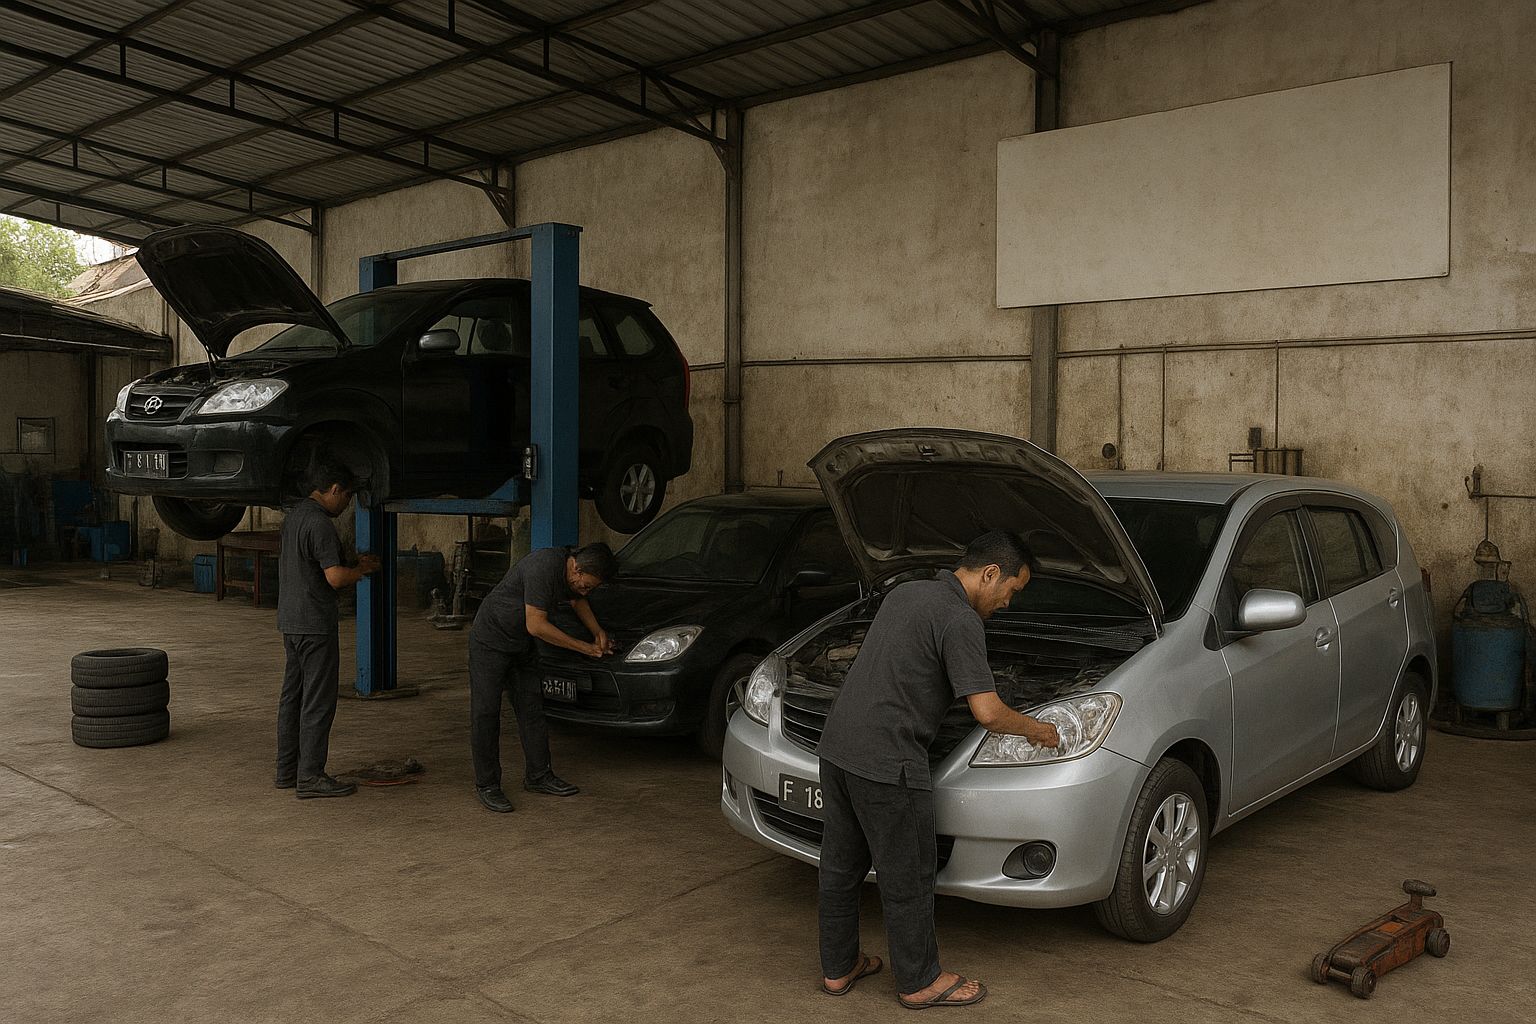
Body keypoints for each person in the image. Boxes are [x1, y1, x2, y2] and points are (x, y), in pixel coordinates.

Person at [815, 530, 1062, 1009]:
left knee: (840, 869)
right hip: (889, 763)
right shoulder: (960, 619)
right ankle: (919, 980)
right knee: (908, 876)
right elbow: (987, 712)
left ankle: (838, 967)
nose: (1008, 604)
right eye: (1011, 591)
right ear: (991, 574)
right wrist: (1037, 729)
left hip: (838, 749)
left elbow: (904, 667)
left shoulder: (906, 592)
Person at [468, 541, 619, 812]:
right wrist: (585, 647)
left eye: (592, 588)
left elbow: (577, 599)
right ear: (576, 567)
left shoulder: (571, 572)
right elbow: (536, 625)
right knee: (486, 712)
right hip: (490, 641)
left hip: (521, 645)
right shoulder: (544, 567)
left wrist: (598, 632)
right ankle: (488, 784)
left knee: (532, 708)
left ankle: (539, 775)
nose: (586, 590)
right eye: (586, 584)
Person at [275, 456, 380, 799]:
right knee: (318, 702)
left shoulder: (295, 517)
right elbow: (334, 577)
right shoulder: (320, 523)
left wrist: (351, 563)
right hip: (315, 625)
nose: (347, 503)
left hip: (291, 622)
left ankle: (286, 771)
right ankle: (311, 778)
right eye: (347, 497)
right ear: (334, 489)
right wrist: (362, 572)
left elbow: (311, 564)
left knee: (293, 698)